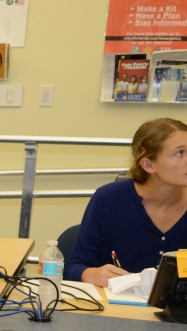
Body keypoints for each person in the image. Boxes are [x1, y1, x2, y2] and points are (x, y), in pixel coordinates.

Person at [65, 117, 187, 286]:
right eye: (180, 153)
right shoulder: (108, 200)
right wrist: (91, 274)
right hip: (117, 308)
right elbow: (74, 268)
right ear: (148, 165)